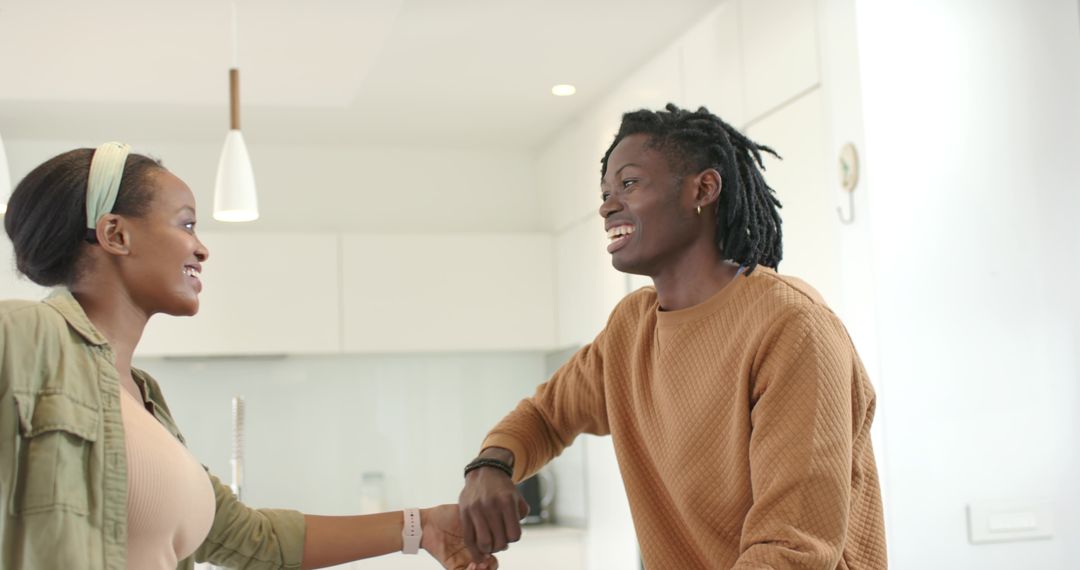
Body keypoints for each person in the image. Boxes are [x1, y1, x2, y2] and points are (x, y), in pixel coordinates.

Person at [0, 143, 498, 570]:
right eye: (187, 224)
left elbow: (249, 538)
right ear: (116, 235)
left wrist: (425, 526)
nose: (202, 249)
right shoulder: (27, 334)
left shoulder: (144, 399)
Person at [458, 104, 887, 569]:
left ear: (702, 189)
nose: (606, 206)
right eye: (604, 192)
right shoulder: (630, 328)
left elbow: (791, 550)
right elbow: (545, 415)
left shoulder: (790, 326)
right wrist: (492, 466)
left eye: (628, 183)